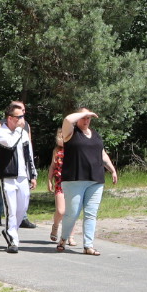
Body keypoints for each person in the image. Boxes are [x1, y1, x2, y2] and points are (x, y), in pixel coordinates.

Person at [56, 108, 118, 256]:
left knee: (91, 214)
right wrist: (83, 113)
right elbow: (67, 120)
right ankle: (63, 238)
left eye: (88, 118)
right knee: (72, 213)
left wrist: (112, 169)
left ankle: (88, 246)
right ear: (78, 118)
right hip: (74, 179)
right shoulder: (70, 133)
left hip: (95, 180)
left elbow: (101, 153)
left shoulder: (95, 135)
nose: (86, 120)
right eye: (84, 117)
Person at [0, 101, 36, 253]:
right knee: (11, 209)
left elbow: (28, 154)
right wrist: (19, 130)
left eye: (23, 116)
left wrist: (33, 175)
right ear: (10, 118)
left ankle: (12, 231)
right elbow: (10, 144)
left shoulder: (23, 133)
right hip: (8, 177)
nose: (22, 120)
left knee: (22, 208)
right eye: (19, 117)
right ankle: (13, 240)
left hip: (23, 176)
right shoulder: (0, 132)